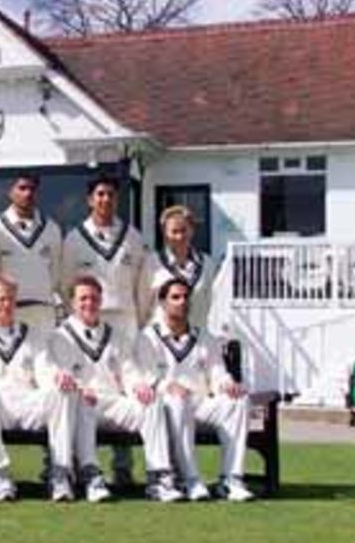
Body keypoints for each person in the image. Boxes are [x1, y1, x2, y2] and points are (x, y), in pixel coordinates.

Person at [45, 276, 183, 503]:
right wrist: (80, 388)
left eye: (94, 298)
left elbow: (129, 370)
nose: (89, 303)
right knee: (83, 401)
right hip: (82, 403)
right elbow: (59, 375)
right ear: (72, 303)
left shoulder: (114, 335)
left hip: (113, 401)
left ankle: (159, 478)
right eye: (83, 299)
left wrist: (139, 386)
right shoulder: (59, 336)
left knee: (152, 402)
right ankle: (90, 475)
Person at [0, 276, 78, 502]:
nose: (6, 304)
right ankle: (0, 476)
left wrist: (58, 377)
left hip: (28, 403)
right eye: (0, 299)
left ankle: (59, 473)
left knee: (64, 391)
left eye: (11, 299)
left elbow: (45, 371)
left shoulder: (33, 334)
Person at [59, 174, 148, 486]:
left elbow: (142, 286)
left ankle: (122, 465)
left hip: (124, 319)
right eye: (99, 194)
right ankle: (74, 463)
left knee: (123, 388)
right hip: (86, 320)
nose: (105, 200)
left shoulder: (133, 237)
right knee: (84, 391)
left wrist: (139, 320)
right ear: (89, 199)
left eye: (110, 194)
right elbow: (65, 282)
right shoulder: (74, 238)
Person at [133, 279, 254, 502]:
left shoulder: (204, 337)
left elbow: (217, 373)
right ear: (162, 302)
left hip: (200, 405)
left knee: (238, 401)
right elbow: (145, 377)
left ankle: (231, 479)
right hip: (167, 408)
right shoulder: (148, 337)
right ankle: (190, 479)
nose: (182, 302)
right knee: (177, 400)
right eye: (175, 297)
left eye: (186, 297)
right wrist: (166, 385)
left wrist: (227, 384)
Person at [0, 173, 62, 336]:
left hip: (43, 312)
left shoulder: (52, 229)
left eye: (31, 189)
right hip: (9, 312)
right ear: (10, 192)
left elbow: (56, 274)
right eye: (22, 188)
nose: (27, 193)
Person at [140, 205, 215, 330]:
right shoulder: (151, 263)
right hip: (160, 340)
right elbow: (142, 305)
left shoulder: (207, 263)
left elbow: (211, 303)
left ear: (192, 230)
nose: (179, 236)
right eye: (174, 231)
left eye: (183, 230)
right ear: (165, 234)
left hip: (196, 337)